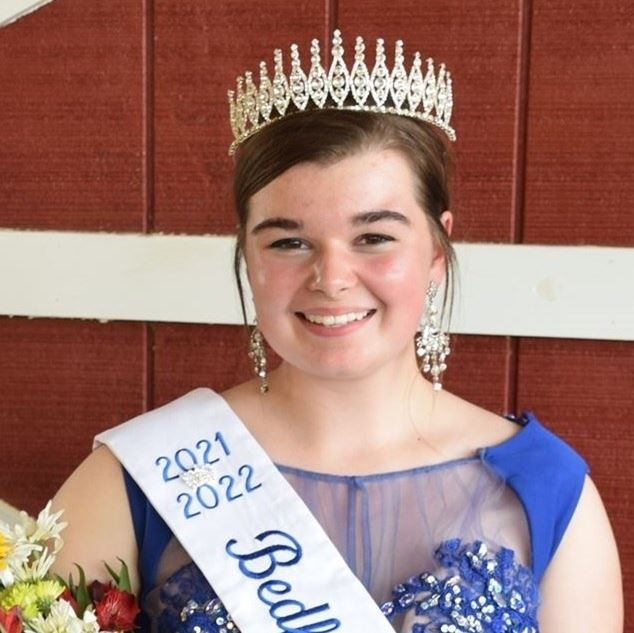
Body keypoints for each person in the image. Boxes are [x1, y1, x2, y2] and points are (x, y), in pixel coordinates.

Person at [51, 31, 622, 633]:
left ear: (436, 251)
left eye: (374, 237)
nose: (331, 278)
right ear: (247, 256)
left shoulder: (547, 491)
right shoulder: (135, 479)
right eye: (289, 242)